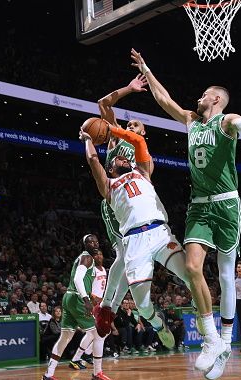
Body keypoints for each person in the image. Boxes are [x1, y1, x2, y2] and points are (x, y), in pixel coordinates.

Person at [130, 48, 241, 380]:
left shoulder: (226, 121)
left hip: (227, 205)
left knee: (226, 276)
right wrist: (146, 67)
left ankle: (225, 344)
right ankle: (211, 338)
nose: (197, 99)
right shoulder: (190, 120)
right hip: (199, 205)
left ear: (215, 100)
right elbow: (163, 99)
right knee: (193, 266)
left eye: (203, 96)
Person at [81, 121, 193, 353]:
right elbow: (93, 161)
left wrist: (113, 129)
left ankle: (205, 319)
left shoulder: (142, 171)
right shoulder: (109, 186)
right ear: (110, 169)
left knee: (191, 273)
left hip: (160, 233)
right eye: (117, 160)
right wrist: (88, 140)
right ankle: (157, 323)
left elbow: (139, 141)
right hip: (134, 242)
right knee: (142, 306)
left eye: (125, 159)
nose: (123, 160)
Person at [94, 74, 151, 331]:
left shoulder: (145, 157)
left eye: (136, 124)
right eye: (129, 122)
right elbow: (103, 103)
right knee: (124, 255)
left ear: (143, 132)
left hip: (133, 208)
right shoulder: (116, 137)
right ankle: (108, 306)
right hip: (114, 203)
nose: (131, 124)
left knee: (130, 260)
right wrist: (129, 88)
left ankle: (110, 309)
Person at [42, 235, 115, 380]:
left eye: (96, 241)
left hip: (68, 298)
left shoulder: (84, 258)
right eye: (90, 242)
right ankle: (97, 374)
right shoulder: (87, 257)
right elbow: (77, 279)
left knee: (65, 337)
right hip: (77, 299)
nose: (94, 244)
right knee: (99, 334)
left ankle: (48, 376)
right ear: (85, 244)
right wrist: (86, 300)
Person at [69, 248, 106, 369]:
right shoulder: (92, 269)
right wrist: (92, 299)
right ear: (93, 258)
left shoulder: (103, 269)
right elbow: (86, 285)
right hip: (92, 303)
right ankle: (79, 357)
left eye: (101, 254)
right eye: (96, 255)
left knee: (101, 332)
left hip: (100, 303)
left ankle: (85, 354)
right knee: (93, 333)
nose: (99, 256)